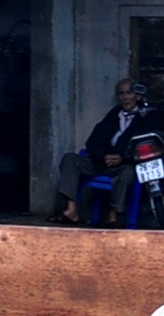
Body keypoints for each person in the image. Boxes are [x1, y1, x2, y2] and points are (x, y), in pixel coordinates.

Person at [53, 79, 146, 225]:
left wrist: (123, 158)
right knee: (70, 159)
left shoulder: (145, 118)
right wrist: (104, 156)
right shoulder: (113, 116)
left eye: (129, 93)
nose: (125, 97)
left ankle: (113, 214)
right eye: (121, 93)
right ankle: (71, 209)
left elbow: (144, 147)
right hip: (100, 163)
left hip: (122, 165)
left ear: (138, 96)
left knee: (127, 172)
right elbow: (91, 143)